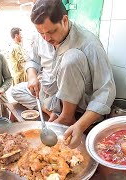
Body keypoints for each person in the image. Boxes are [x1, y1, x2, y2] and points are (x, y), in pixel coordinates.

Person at [11, 0, 116, 149]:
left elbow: (106, 91)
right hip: (50, 96)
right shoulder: (41, 36)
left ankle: (67, 117)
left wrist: (81, 125)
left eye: (51, 31)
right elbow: (32, 60)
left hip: (77, 104)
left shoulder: (89, 44)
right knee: (16, 90)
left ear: (65, 20)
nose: (46, 38)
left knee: (72, 57)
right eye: (41, 33)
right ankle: (51, 111)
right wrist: (32, 76)